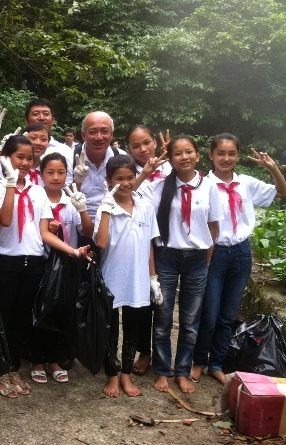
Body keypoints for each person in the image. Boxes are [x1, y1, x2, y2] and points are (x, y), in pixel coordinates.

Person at [190, 134, 286, 384]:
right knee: (210, 314)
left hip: (241, 253)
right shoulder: (201, 184)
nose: (226, 158)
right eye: (220, 153)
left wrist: (273, 168)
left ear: (237, 156)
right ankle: (199, 360)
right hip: (215, 251)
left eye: (231, 153)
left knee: (228, 314)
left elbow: (283, 192)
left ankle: (217, 363)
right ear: (211, 155)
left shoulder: (246, 183)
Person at [137, 135, 223, 394]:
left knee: (190, 320)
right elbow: (132, 191)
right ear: (170, 159)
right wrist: (147, 171)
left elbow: (214, 227)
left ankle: (182, 371)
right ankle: (163, 370)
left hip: (197, 259)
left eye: (189, 152)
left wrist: (206, 260)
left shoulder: (209, 187)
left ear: (198, 155)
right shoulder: (162, 186)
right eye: (178, 153)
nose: (184, 157)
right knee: (162, 317)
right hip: (167, 257)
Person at [0, 135, 48, 398]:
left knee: (21, 317)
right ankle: (0, 369)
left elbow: (41, 229)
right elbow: (4, 221)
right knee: (2, 317)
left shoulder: (38, 191)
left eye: (30, 158)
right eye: (20, 157)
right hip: (6, 261)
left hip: (33, 262)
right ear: (8, 158)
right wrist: (9, 184)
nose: (26, 162)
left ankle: (13, 366)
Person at [94, 156, 161, 398]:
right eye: (119, 178)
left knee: (133, 327)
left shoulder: (145, 206)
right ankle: (111, 374)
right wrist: (105, 209)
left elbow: (150, 245)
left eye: (130, 177)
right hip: (112, 277)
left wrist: (153, 277)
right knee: (110, 328)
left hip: (138, 279)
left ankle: (126, 374)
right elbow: (100, 243)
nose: (125, 183)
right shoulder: (106, 208)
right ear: (109, 180)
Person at [33, 152, 92, 384]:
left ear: (68, 175)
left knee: (62, 311)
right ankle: (37, 359)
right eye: (50, 172)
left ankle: (55, 358)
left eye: (61, 172)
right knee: (41, 310)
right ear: (41, 174)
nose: (56, 177)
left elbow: (86, 231)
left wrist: (83, 209)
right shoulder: (38, 200)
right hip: (43, 263)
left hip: (69, 264)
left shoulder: (71, 200)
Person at [124, 125, 171, 375]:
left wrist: (169, 157)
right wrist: (145, 173)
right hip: (141, 243)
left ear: (155, 142)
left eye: (147, 143)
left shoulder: (170, 168)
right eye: (136, 146)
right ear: (128, 149)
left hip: (168, 244)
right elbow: (123, 194)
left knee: (162, 303)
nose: (143, 149)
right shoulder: (128, 172)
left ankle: (162, 354)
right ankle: (143, 352)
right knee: (140, 303)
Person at [73, 111, 125, 221]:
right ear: (83, 135)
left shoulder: (121, 158)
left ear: (112, 134)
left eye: (104, 131)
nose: (99, 137)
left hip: (114, 224)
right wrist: (77, 182)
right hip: (77, 224)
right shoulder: (70, 157)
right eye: (93, 132)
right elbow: (61, 197)